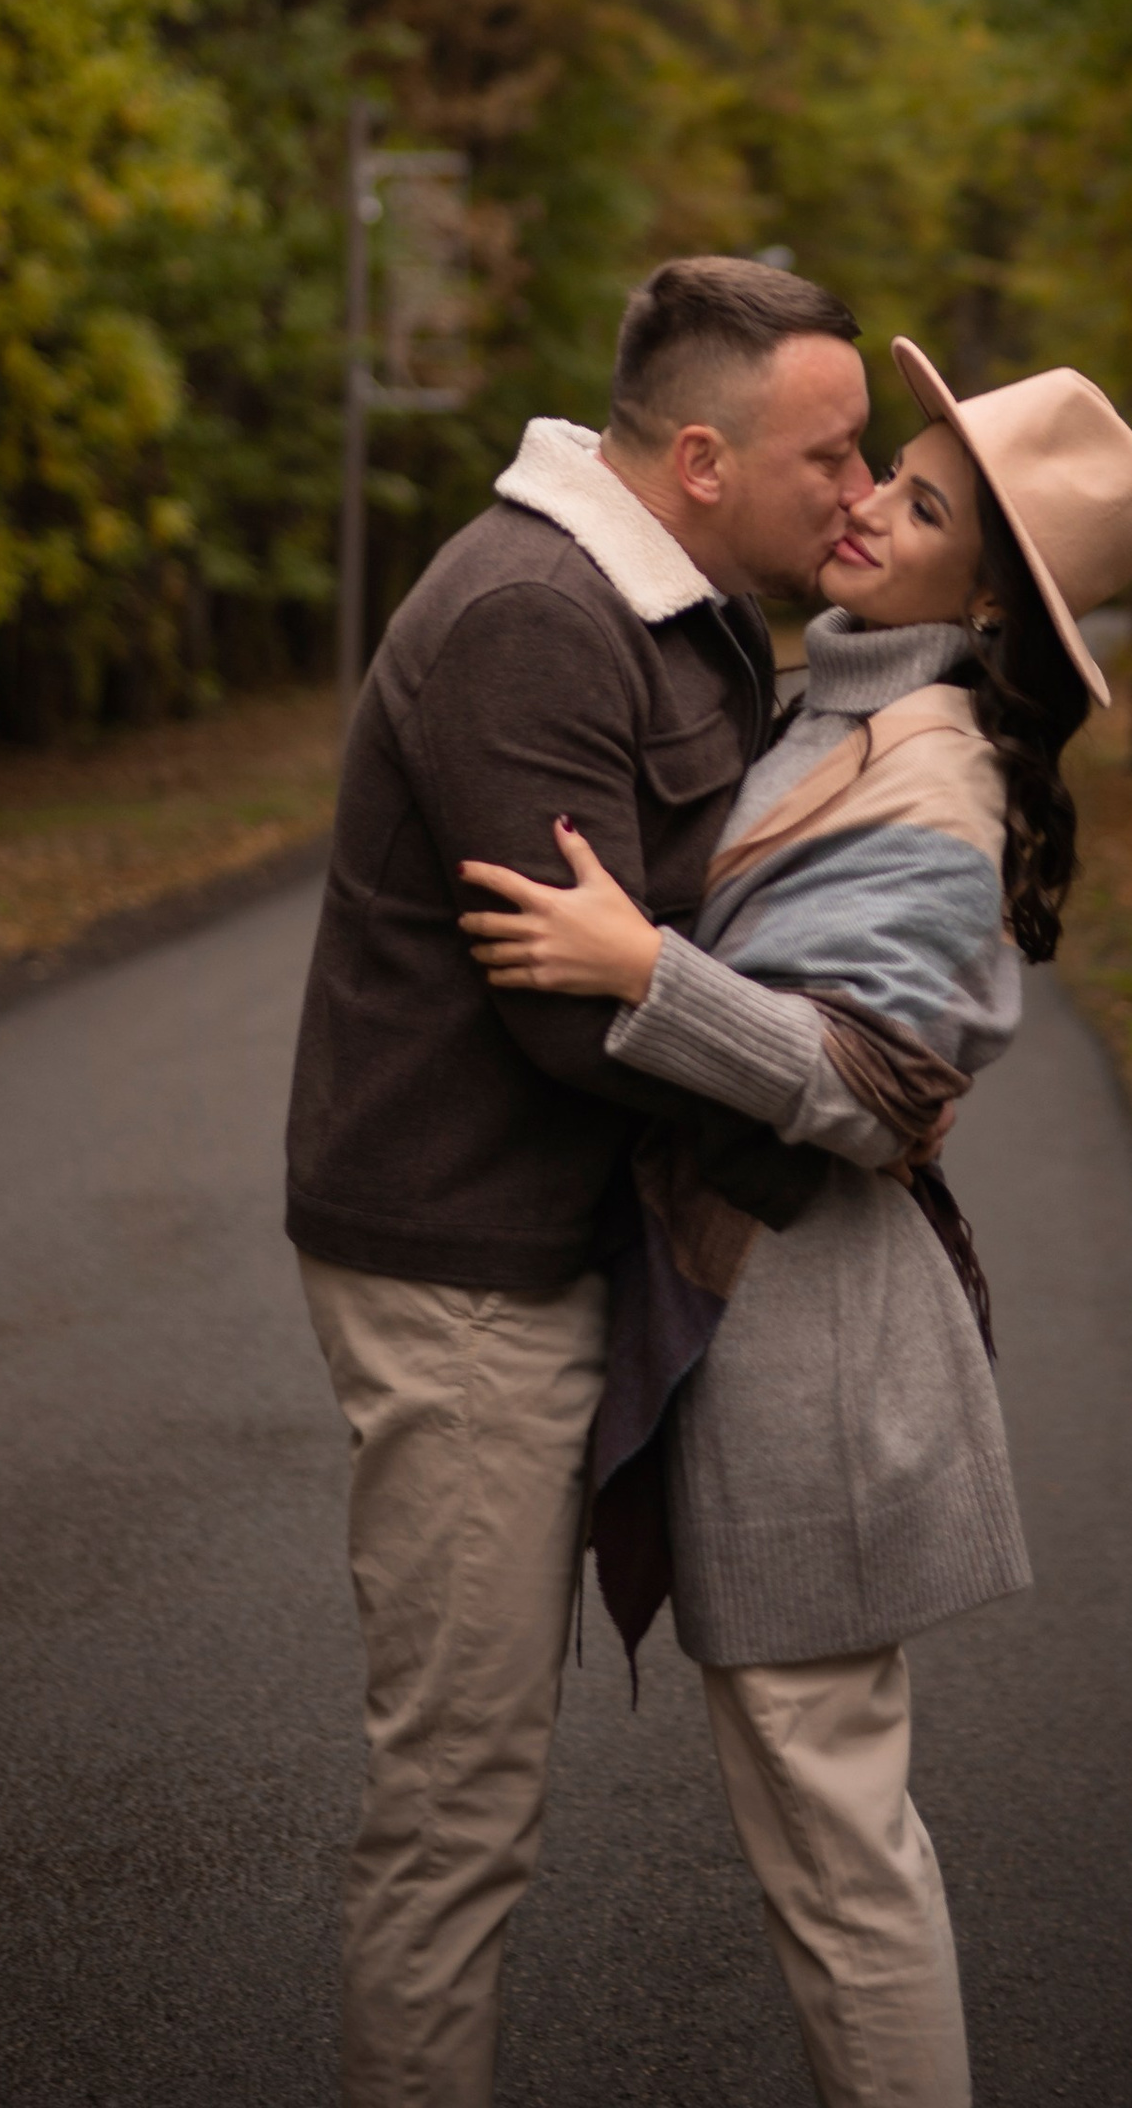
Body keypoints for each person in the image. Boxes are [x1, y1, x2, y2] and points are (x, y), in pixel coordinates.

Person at [462, 339, 1132, 2108]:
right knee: (832, 1848)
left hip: (823, 1369)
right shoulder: (831, 707)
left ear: (989, 607)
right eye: (881, 474)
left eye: (917, 509)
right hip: (771, 1335)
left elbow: (878, 1084)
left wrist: (645, 971)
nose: (859, 508)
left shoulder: (931, 774)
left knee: (843, 1867)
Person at [285, 254, 875, 2108]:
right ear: (702, 460)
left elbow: (696, 914)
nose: (859, 492)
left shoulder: (684, 604)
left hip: (566, 1245)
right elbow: (572, 1018)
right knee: (458, 1801)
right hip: (468, 1265)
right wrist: (833, 1090)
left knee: (482, 1790)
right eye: (832, 458)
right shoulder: (534, 619)